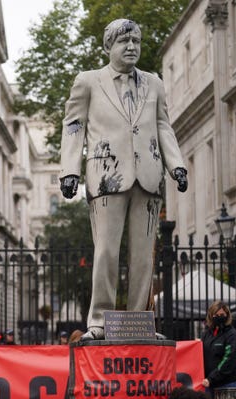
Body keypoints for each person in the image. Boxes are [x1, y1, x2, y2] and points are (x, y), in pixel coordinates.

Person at [59, 18, 188, 341]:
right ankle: (99, 322)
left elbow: (163, 127)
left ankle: (140, 322)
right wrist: (70, 170)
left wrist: (176, 166)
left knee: (144, 256)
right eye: (123, 42)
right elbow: (74, 125)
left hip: (148, 176)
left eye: (136, 42)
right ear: (108, 47)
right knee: (105, 251)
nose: (131, 47)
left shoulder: (154, 83)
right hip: (106, 177)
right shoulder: (88, 81)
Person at [201, 301, 236, 399]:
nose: (219, 317)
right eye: (216, 315)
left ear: (227, 315)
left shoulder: (232, 335)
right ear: (210, 316)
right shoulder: (207, 334)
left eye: (222, 314)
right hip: (210, 385)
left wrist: (211, 378)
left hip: (228, 384)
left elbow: (229, 359)